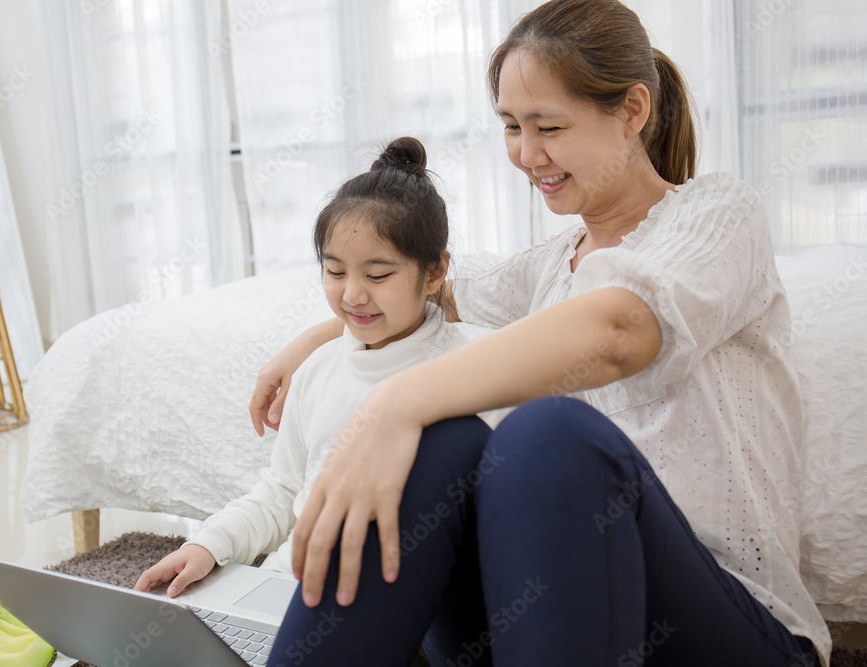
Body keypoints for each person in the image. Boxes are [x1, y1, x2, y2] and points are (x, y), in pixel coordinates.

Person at [253, 1, 832, 665]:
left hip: (728, 631)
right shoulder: (548, 269)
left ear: (633, 112)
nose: (526, 155)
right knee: (446, 442)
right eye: (510, 126)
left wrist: (394, 401)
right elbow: (427, 290)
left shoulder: (718, 216)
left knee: (545, 434)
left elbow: (619, 329)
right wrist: (315, 338)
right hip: (565, 623)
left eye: (549, 126)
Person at [134, 137, 501, 608]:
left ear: (434, 273)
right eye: (335, 272)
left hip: (381, 600)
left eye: (378, 275)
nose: (352, 295)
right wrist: (207, 546)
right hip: (284, 590)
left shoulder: (481, 365)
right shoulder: (318, 370)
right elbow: (283, 491)